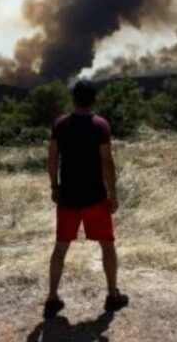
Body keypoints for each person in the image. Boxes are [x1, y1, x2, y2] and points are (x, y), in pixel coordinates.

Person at [44, 80, 129, 319]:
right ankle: (112, 294)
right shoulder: (100, 126)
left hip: (68, 197)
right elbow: (107, 162)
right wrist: (113, 193)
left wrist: (54, 185)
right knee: (107, 245)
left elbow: (52, 158)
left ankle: (52, 297)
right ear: (94, 100)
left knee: (60, 247)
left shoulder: (60, 125)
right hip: (94, 198)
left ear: (73, 99)